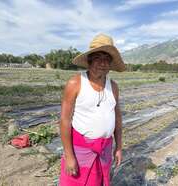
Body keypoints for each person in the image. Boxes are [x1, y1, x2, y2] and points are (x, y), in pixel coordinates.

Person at [59, 33, 126, 186]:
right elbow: (64, 120)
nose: (102, 63)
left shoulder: (113, 87)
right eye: (97, 58)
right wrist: (69, 156)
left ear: (110, 64)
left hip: (105, 149)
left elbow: (117, 119)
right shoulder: (75, 83)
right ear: (89, 60)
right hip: (80, 149)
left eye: (106, 59)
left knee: (99, 181)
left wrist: (119, 147)